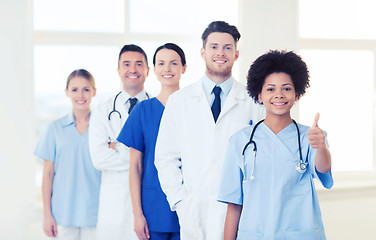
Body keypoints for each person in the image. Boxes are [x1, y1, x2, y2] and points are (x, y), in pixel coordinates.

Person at [154, 21, 265, 239]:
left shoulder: (254, 102)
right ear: (203, 53)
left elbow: (263, 158)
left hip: (239, 212)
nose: (220, 53)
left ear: (236, 54)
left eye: (227, 47)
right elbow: (165, 158)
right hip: (194, 210)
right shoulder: (180, 101)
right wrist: (180, 202)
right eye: (214, 47)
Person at [218, 50, 333, 240]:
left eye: (287, 88)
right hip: (255, 234)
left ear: (297, 94)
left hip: (299, 234)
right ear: (260, 95)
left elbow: (323, 167)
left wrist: (321, 146)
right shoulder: (240, 141)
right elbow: (234, 203)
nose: (279, 94)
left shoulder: (310, 136)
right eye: (270, 89)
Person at [117, 43, 186, 240]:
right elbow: (135, 166)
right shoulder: (142, 111)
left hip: (188, 206)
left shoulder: (193, 109)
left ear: (184, 68)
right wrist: (137, 214)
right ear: (154, 69)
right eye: (161, 63)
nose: (167, 69)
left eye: (174, 63)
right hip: (153, 209)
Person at [89, 44, 150, 240]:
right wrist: (140, 156)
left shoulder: (158, 108)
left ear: (147, 70)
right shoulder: (102, 110)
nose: (133, 69)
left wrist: (118, 146)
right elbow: (99, 158)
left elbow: (163, 157)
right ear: (118, 71)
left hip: (147, 202)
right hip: (114, 205)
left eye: (139, 64)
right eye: (127, 64)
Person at [34, 69, 101, 240]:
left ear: (94, 92)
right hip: (62, 215)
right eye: (74, 89)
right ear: (67, 92)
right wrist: (46, 214)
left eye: (86, 89)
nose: (80, 95)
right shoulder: (55, 129)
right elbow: (48, 174)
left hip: (96, 214)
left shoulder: (103, 129)